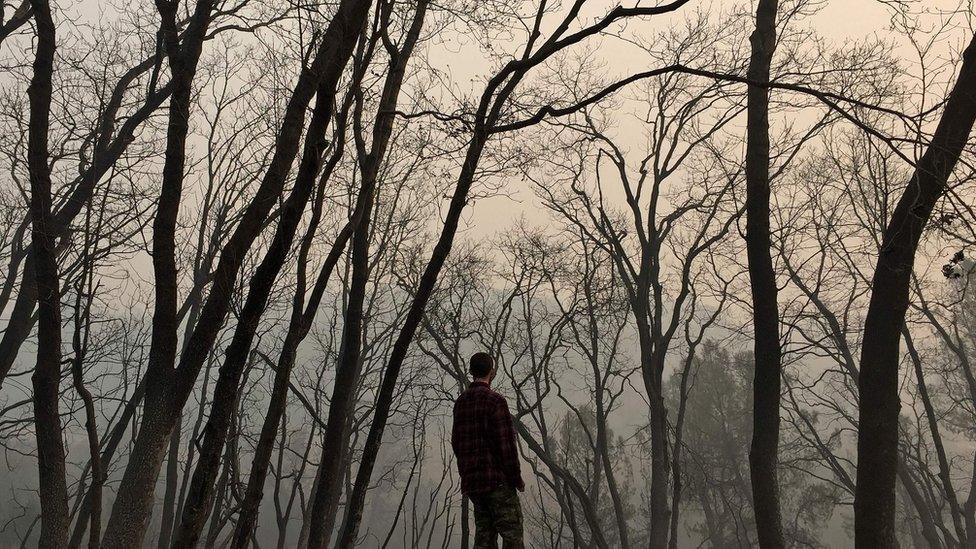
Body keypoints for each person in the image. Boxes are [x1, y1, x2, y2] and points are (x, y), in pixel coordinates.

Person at [451, 352, 525, 548]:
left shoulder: (460, 403)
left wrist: (468, 473)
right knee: (512, 535)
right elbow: (506, 445)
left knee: (484, 538)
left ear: (470, 371)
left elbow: (457, 443)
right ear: (491, 372)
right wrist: (516, 478)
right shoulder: (495, 401)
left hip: (474, 485)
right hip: (497, 482)